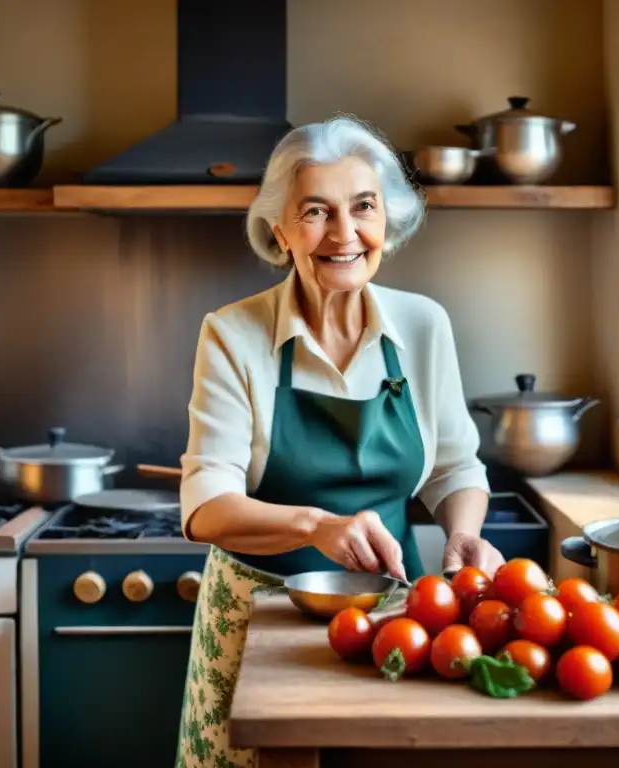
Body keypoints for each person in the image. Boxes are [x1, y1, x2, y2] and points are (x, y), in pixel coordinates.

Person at [174, 114, 505, 768]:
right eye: (316, 212)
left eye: (364, 207)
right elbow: (205, 506)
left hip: (397, 618)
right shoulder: (232, 334)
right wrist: (316, 525)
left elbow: (454, 467)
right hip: (259, 618)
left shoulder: (423, 325)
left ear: (389, 220)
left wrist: (463, 533)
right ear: (280, 232)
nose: (345, 233)